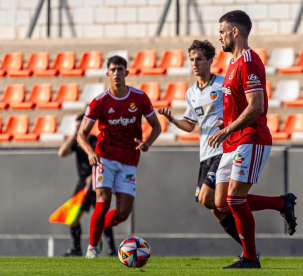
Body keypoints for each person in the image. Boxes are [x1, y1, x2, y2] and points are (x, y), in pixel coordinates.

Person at [208, 10, 297, 269]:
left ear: (235, 32)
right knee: (221, 202)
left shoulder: (248, 61)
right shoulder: (233, 63)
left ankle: (249, 257)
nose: (220, 37)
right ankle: (282, 203)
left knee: (235, 198)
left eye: (222, 32)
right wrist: (225, 125)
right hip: (233, 140)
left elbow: (256, 106)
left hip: (251, 138)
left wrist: (227, 129)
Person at [158, 39, 252, 258]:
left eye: (199, 58)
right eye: (192, 59)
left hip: (224, 148)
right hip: (205, 155)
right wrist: (173, 120)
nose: (195, 63)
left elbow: (242, 108)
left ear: (211, 60)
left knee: (207, 198)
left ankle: (251, 218)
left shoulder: (223, 84)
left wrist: (227, 123)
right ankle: (248, 247)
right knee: (214, 207)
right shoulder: (191, 93)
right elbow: (190, 125)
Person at [77, 55, 161, 258]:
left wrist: (147, 143)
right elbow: (81, 134)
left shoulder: (139, 98)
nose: (116, 73)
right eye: (113, 70)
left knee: (123, 212)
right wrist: (90, 152)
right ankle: (92, 248)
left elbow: (156, 126)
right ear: (108, 74)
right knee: (103, 200)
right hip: (104, 157)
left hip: (129, 160)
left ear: (127, 73)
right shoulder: (99, 102)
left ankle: (97, 230)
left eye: (120, 69)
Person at [58, 114, 117, 256]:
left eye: (81, 125)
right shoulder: (77, 142)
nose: (78, 127)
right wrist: (74, 134)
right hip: (82, 186)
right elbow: (62, 152)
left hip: (96, 184)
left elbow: (104, 160)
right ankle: (76, 248)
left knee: (101, 215)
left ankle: (112, 248)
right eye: (76, 125)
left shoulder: (95, 141)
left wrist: (93, 176)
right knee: (73, 217)